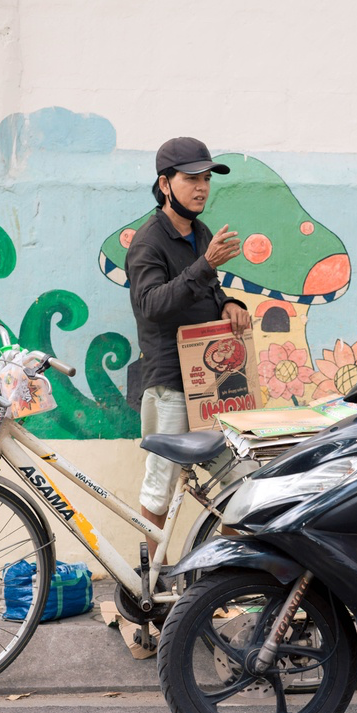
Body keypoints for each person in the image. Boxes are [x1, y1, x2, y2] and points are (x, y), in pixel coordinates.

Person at [126, 136, 251, 556]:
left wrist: (229, 302)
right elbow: (151, 305)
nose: (201, 188)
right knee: (160, 484)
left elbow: (207, 291)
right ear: (165, 184)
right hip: (170, 384)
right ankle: (148, 579)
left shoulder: (201, 233)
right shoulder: (148, 242)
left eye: (206, 179)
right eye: (191, 178)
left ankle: (222, 578)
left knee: (238, 478)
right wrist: (206, 265)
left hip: (210, 383)